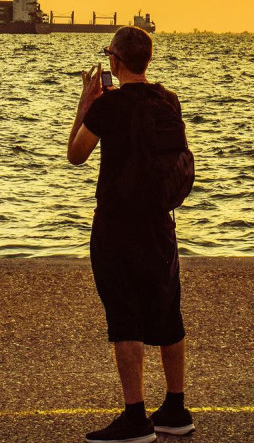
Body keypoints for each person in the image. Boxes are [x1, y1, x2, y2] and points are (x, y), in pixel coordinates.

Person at [67, 26, 193, 443]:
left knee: (125, 317)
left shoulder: (110, 105)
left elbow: (75, 155)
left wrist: (85, 105)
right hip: (160, 221)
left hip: (118, 223)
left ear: (116, 62)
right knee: (167, 311)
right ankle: (175, 408)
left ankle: (135, 417)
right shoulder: (168, 100)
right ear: (148, 61)